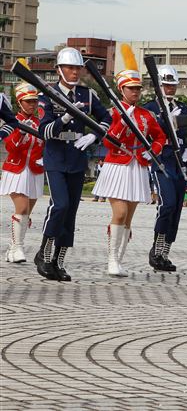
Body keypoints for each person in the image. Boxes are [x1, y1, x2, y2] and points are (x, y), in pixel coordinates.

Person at [37, 47, 112, 281]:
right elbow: (44, 131)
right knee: (59, 205)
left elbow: (107, 118)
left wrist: (94, 135)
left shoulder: (87, 94)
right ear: (59, 70)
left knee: (70, 212)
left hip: (77, 157)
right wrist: (65, 118)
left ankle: (58, 261)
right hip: (56, 156)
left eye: (78, 68)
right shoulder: (47, 94)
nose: (75, 72)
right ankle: (44, 253)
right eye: (70, 68)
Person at [91, 51, 166, 277]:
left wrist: (151, 152)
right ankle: (111, 259)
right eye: (131, 88)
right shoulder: (112, 113)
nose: (135, 92)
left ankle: (119, 260)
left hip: (138, 166)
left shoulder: (147, 114)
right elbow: (107, 141)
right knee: (120, 213)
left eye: (138, 88)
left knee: (129, 218)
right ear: (121, 89)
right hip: (117, 165)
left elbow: (160, 136)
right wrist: (123, 121)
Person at [143, 63, 187, 272]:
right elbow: (146, 132)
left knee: (177, 208)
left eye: (173, 85)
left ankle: (165, 253)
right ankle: (156, 248)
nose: (170, 88)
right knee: (167, 204)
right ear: (158, 85)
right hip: (161, 159)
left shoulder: (185, 108)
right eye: (166, 85)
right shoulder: (150, 108)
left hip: (180, 161)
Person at [1, 78, 44, 263]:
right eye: (28, 101)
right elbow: (10, 146)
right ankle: (18, 247)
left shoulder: (41, 122)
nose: (32, 104)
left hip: (34, 170)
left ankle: (13, 247)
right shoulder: (12, 121)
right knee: (22, 207)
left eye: (34, 101)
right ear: (19, 102)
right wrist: (21, 132)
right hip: (17, 169)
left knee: (26, 213)